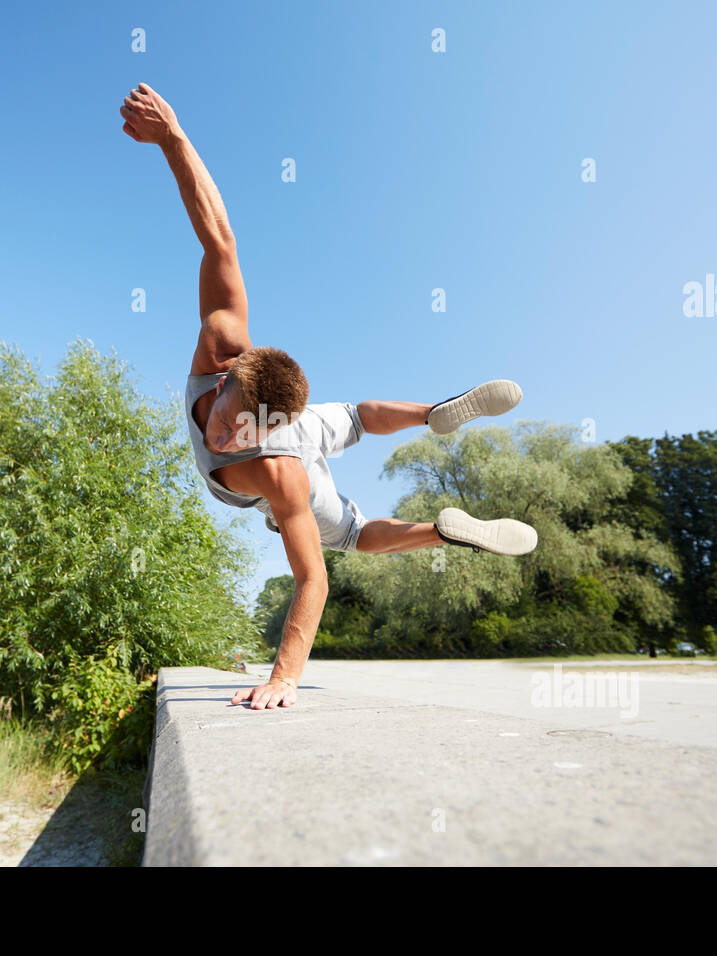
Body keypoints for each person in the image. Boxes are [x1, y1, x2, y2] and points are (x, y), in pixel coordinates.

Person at [120, 83, 538, 710]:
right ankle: (436, 453)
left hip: (298, 449)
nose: (227, 439)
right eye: (231, 422)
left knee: (353, 535)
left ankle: (439, 474)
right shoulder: (220, 341)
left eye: (246, 436)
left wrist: (284, 676)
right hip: (305, 422)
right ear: (229, 371)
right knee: (357, 418)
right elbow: (220, 239)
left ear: (271, 430)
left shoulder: (279, 472)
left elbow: (311, 578)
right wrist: (173, 137)